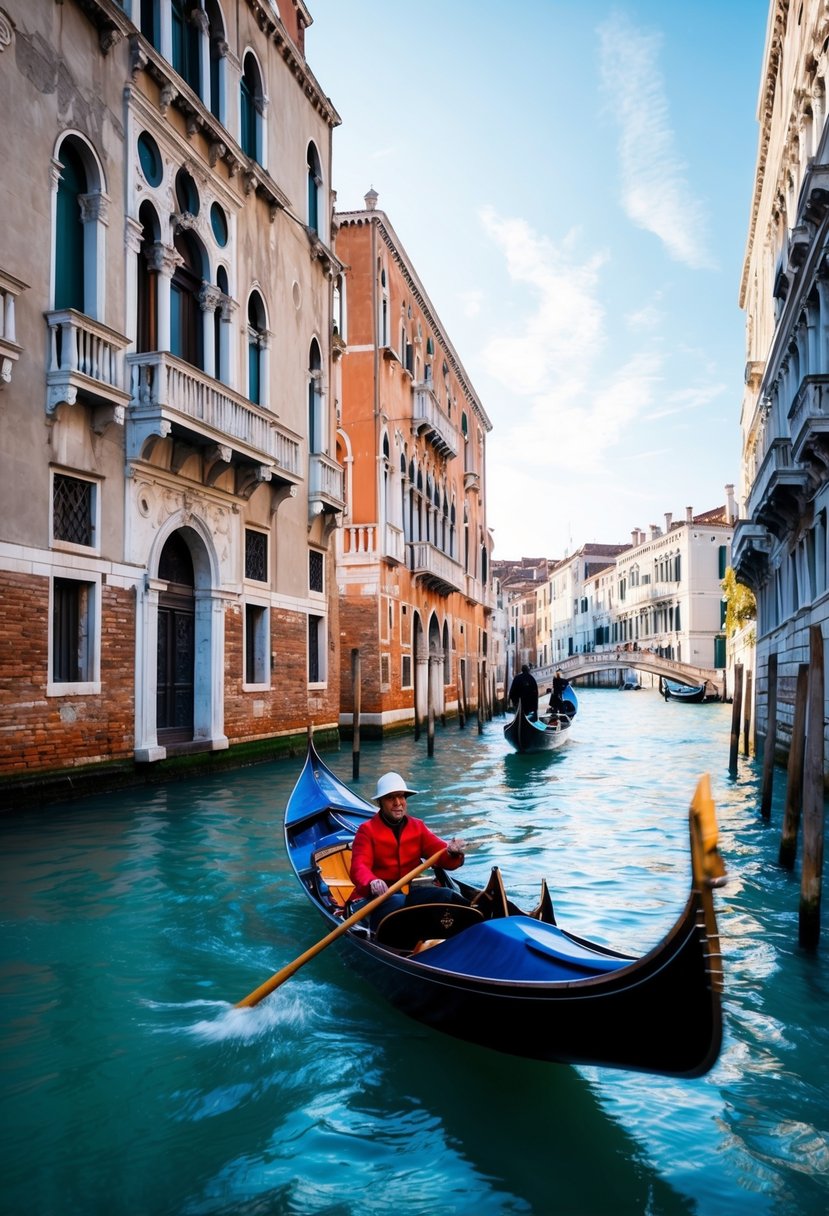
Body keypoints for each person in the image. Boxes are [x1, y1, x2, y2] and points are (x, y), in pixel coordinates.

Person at [350, 772, 467, 929]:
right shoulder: (367, 830)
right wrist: (372, 882)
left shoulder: (417, 827)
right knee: (398, 902)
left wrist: (453, 852)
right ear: (380, 803)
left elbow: (441, 854)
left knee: (446, 895)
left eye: (401, 797)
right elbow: (359, 867)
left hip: (407, 895)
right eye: (391, 798)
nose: (398, 803)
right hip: (374, 899)